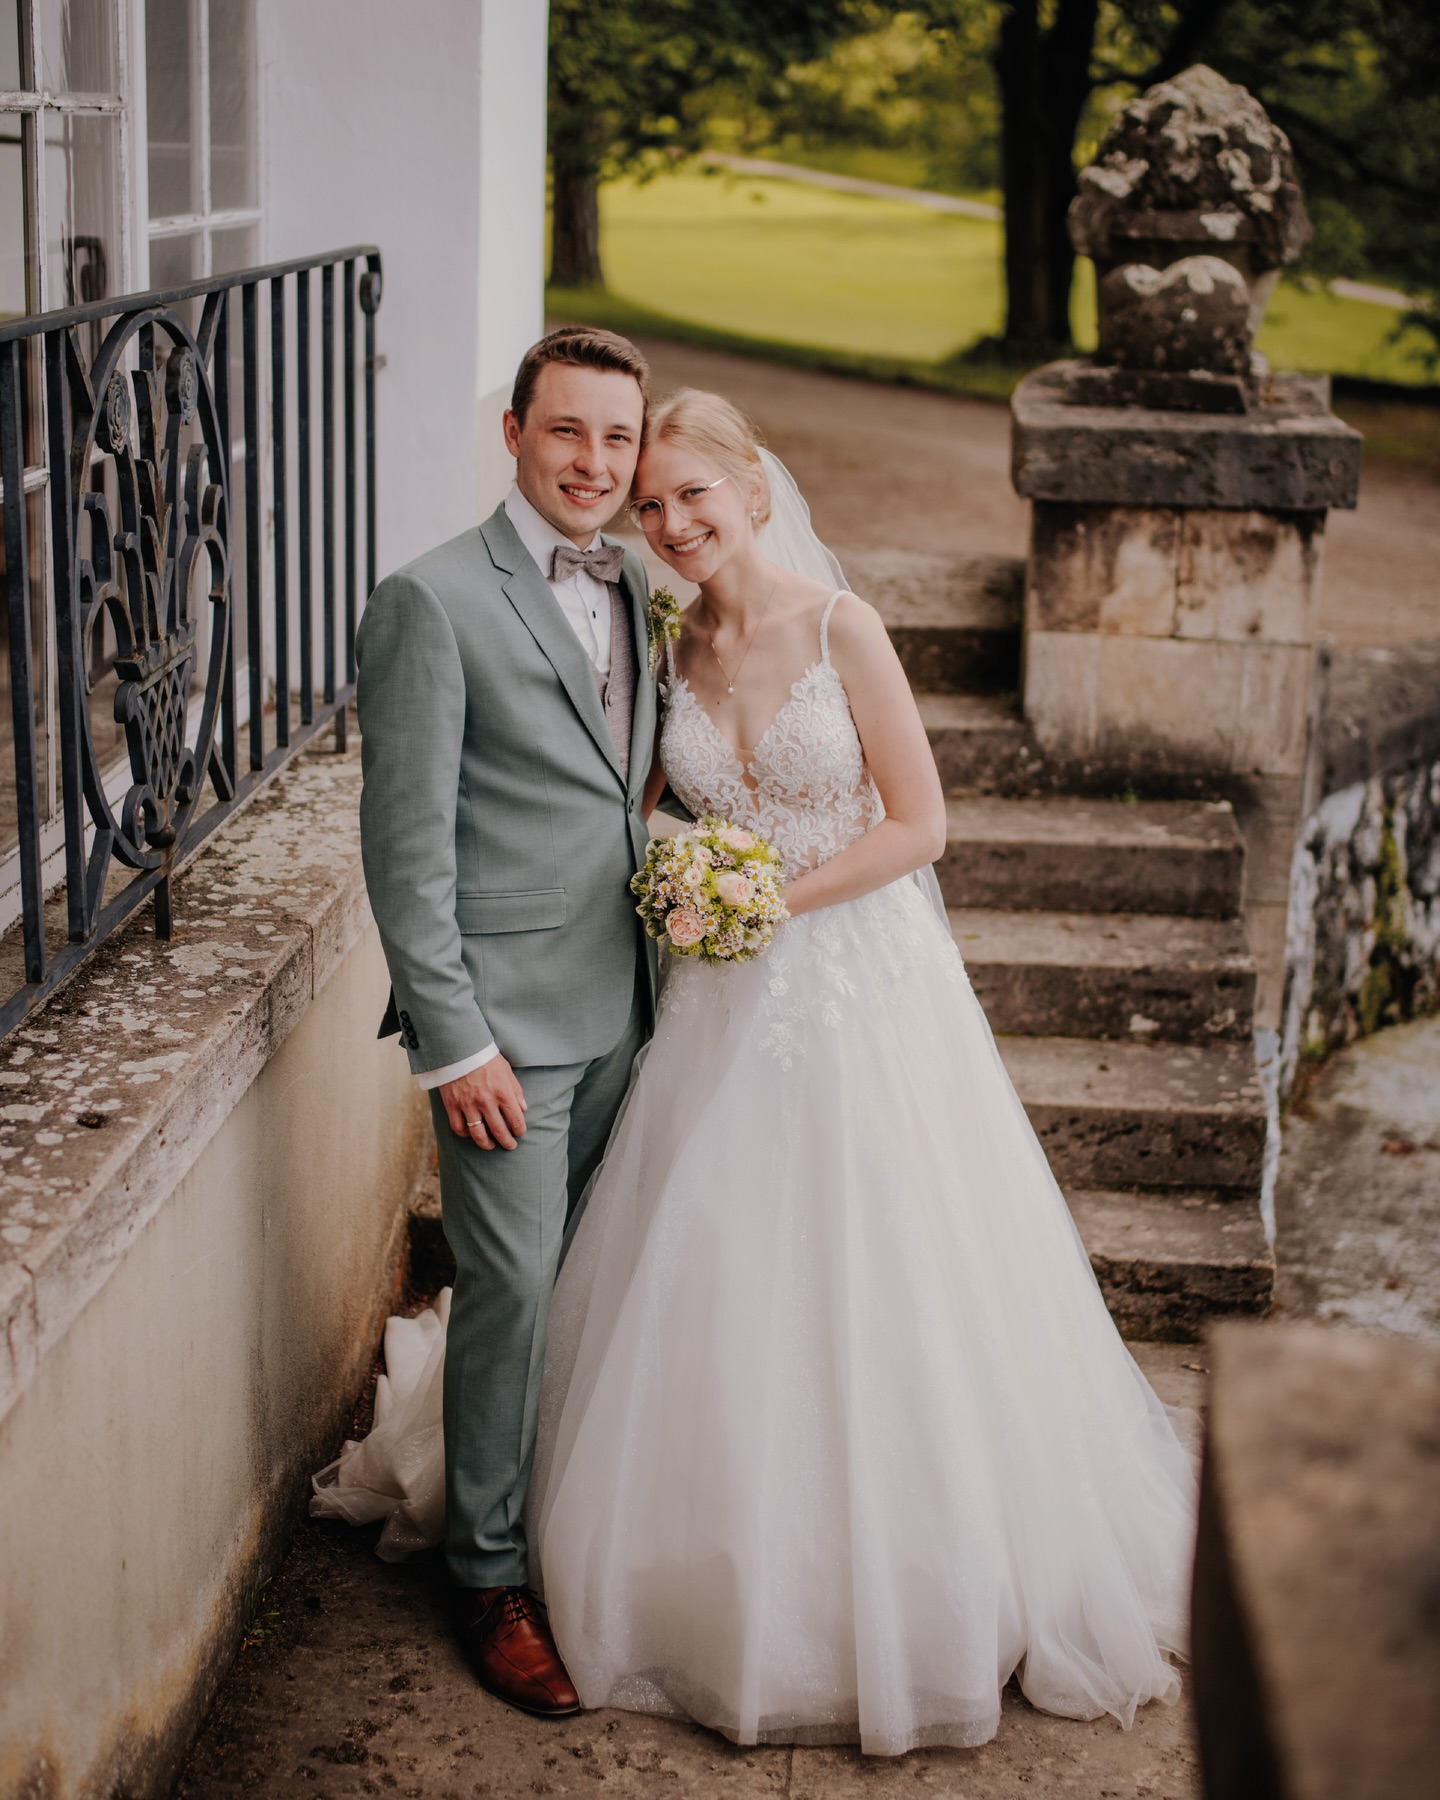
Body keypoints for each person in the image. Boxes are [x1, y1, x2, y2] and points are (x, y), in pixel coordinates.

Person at [320, 387, 1199, 1757]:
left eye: (690, 494)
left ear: (754, 487)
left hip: (856, 987)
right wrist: (684, 887)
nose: (668, 519)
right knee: (699, 1262)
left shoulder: (842, 626)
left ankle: (917, 1568)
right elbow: (633, 807)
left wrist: (767, 899)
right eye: (651, 500)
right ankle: (626, 1541)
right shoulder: (660, 637)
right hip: (716, 1006)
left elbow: (920, 824)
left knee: (890, 1273)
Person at [340, 326, 656, 1718]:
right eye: (569, 430)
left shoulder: (643, 583)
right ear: (516, 431)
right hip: (505, 1033)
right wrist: (452, 1040)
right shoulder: (430, 600)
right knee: (514, 1290)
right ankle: (485, 1573)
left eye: (618, 439)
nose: (594, 463)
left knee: (592, 1287)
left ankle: (565, 1517)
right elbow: (405, 849)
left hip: (635, 1005)